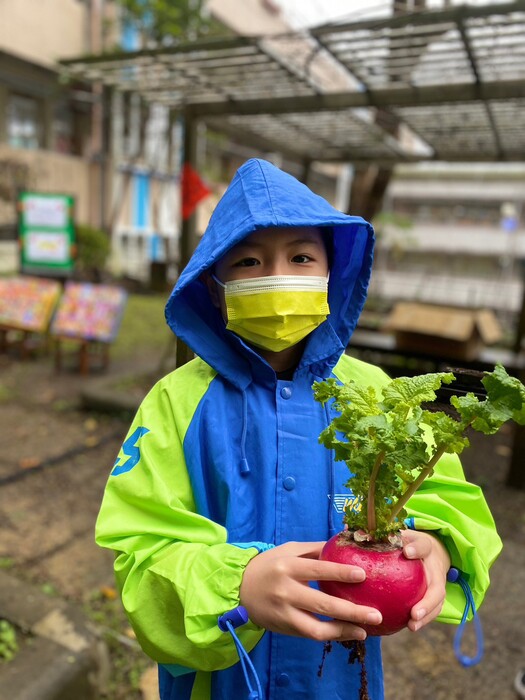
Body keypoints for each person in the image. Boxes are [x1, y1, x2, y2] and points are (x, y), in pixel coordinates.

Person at [96, 158, 502, 700]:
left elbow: (446, 499)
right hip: (217, 680)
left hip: (339, 681)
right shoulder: (175, 403)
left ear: (332, 274)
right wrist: (235, 587)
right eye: (248, 261)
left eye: (301, 257)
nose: (276, 274)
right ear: (214, 286)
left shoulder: (378, 394)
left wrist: (438, 545)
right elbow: (141, 555)